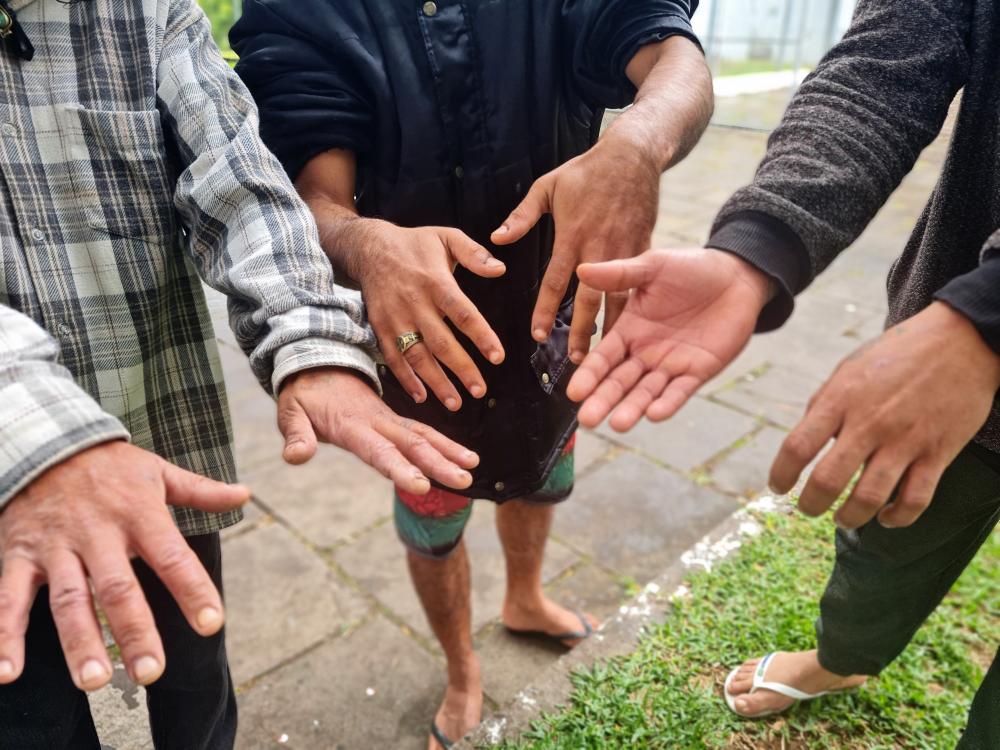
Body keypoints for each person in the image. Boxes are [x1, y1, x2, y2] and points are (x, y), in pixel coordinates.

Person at [231, 2, 713, 746]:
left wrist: (639, 143)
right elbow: (309, 199)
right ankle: (461, 669)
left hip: (556, 319)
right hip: (420, 346)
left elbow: (668, 50)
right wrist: (362, 241)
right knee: (433, 515)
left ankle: (525, 598)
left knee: (546, 472)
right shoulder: (302, 10)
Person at [0, 1, 478, 748]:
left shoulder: (148, 10)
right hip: (9, 488)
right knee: (32, 717)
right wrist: (33, 437)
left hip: (160, 441)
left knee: (198, 685)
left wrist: (314, 343)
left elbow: (240, 182)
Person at [566, 1, 1000, 747]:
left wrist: (984, 323)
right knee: (884, 540)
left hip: (963, 333)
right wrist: (758, 245)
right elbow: (880, 67)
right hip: (941, 356)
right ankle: (843, 660)